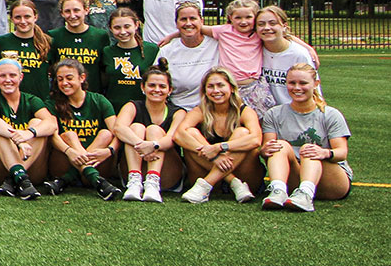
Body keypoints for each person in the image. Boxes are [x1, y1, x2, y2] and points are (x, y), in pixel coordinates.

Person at [258, 63, 350, 211]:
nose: (297, 88)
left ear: (315, 84)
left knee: (309, 149)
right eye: (292, 83)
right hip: (295, 177)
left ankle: (306, 195)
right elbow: (266, 150)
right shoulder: (274, 114)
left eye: (303, 83)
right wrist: (265, 150)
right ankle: (278, 190)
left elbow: (342, 153)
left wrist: (324, 152)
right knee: (279, 145)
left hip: (331, 181)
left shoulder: (330, 114)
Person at [175, 68, 264, 204]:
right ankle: (233, 182)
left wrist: (219, 148)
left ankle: (205, 185)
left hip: (246, 179)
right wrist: (214, 156)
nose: (216, 91)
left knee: (243, 133)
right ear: (205, 91)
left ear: (232, 88)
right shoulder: (200, 111)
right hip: (223, 182)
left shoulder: (245, 111)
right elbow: (178, 135)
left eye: (221, 85)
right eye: (210, 86)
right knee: (190, 133)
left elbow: (256, 140)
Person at [106, 60, 182, 203]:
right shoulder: (132, 106)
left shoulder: (178, 112)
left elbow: (172, 138)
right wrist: (141, 145)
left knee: (154, 130)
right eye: (152, 85)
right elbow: (118, 128)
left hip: (167, 172)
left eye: (162, 86)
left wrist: (153, 145)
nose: (157, 90)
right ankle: (134, 181)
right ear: (143, 87)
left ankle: (153, 182)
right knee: (136, 128)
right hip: (134, 166)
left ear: (170, 90)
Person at [47, 59, 123, 199]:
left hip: (97, 162)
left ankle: (69, 178)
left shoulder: (99, 100)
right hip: (64, 162)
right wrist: (70, 152)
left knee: (106, 134)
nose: (64, 83)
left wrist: (109, 150)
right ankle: (97, 182)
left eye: (69, 78)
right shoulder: (52, 103)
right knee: (69, 135)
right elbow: (53, 136)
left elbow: (118, 132)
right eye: (60, 79)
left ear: (82, 78)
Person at [0, 58, 56, 200]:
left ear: (21, 77)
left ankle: (16, 177)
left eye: (12, 75)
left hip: (31, 166)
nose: (7, 80)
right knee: (1, 133)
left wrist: (29, 134)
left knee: (37, 123)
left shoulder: (32, 100)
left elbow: (51, 124)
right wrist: (18, 139)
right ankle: (20, 178)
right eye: (2, 76)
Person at [156, 1, 220, 110]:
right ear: (176, 23)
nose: (188, 23)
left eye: (193, 18)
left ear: (201, 21)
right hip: (178, 110)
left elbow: (235, 30)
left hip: (212, 109)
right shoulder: (167, 51)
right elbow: (157, 80)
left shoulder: (217, 44)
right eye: (183, 19)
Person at [0, 0, 54, 102]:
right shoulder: (0, 42)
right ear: (11, 18)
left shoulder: (47, 43)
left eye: (27, 17)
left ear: (35, 17)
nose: (23, 21)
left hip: (40, 101)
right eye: (18, 17)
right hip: (7, 102)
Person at [257, 5, 319, 108]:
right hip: (263, 115)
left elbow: (314, 91)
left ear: (284, 26)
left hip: (293, 113)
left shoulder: (299, 54)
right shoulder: (253, 50)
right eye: (261, 24)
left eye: (273, 23)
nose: (267, 28)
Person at [49, 0, 110, 94]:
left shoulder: (100, 36)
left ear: (86, 10)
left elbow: (104, 70)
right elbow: (51, 68)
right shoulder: (54, 36)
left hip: (92, 94)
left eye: (76, 10)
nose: (72, 15)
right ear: (62, 13)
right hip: (63, 94)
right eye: (67, 11)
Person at [100, 7, 160, 110]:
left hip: (142, 109)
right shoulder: (107, 52)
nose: (123, 32)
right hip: (114, 108)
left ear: (136, 25)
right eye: (117, 28)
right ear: (110, 28)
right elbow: (104, 81)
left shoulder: (152, 50)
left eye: (127, 26)